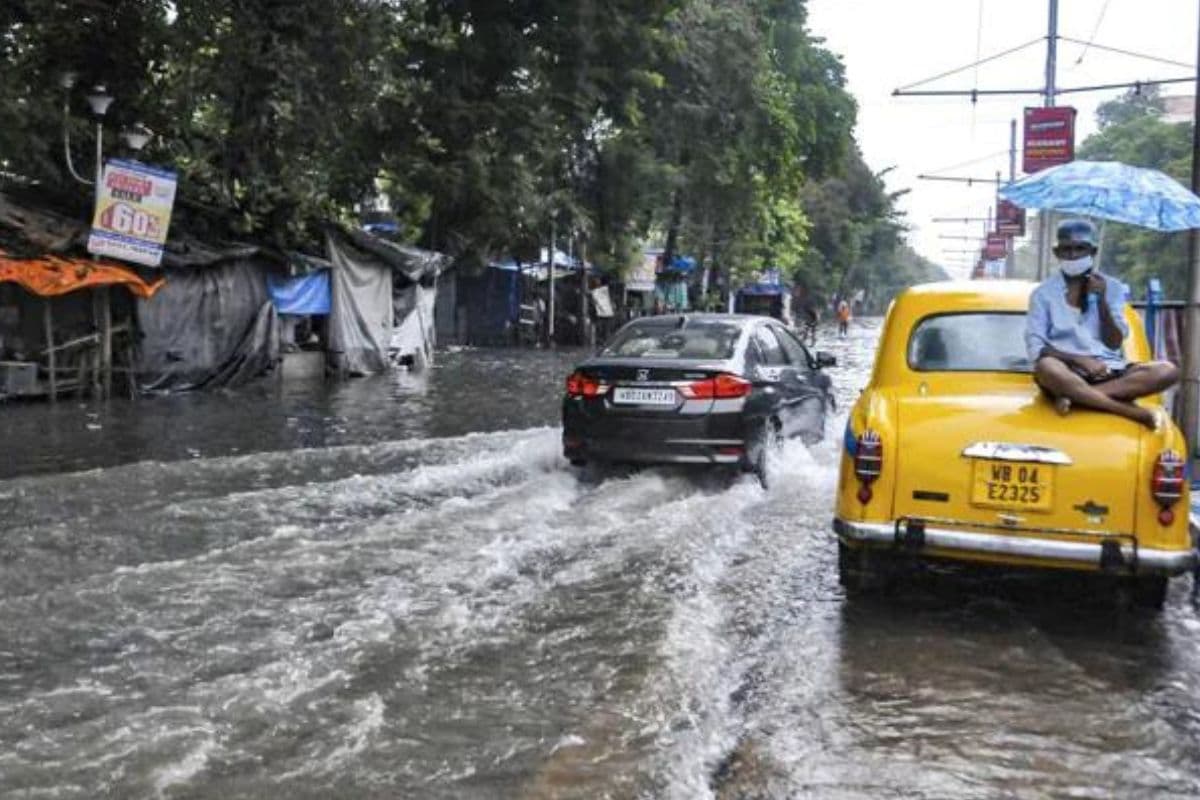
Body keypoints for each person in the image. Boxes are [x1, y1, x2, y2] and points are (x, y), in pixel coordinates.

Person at [1025, 218, 1178, 430]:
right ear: (1057, 253)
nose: (1073, 255)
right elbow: (1036, 348)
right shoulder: (1042, 294)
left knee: (1167, 370)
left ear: (1093, 251)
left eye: (1080, 248)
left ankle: (1076, 399)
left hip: (1108, 371)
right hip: (1065, 373)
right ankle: (1127, 410)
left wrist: (1102, 300)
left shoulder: (1112, 288)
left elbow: (1114, 342)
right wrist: (1080, 360)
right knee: (1046, 366)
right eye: (1067, 249)